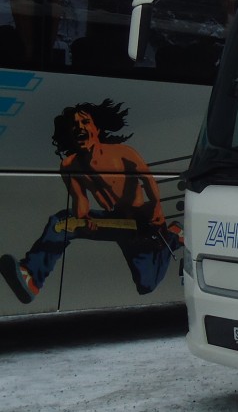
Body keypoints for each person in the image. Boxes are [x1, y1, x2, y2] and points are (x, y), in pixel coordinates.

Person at [0, 99, 182, 304]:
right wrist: (85, 221)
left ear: (96, 128)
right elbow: (80, 200)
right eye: (74, 124)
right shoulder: (70, 165)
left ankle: (173, 237)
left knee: (147, 284)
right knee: (62, 223)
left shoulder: (123, 153)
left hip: (140, 221)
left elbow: (148, 180)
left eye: (85, 122)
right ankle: (31, 276)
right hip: (115, 220)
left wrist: (157, 207)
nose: (79, 127)